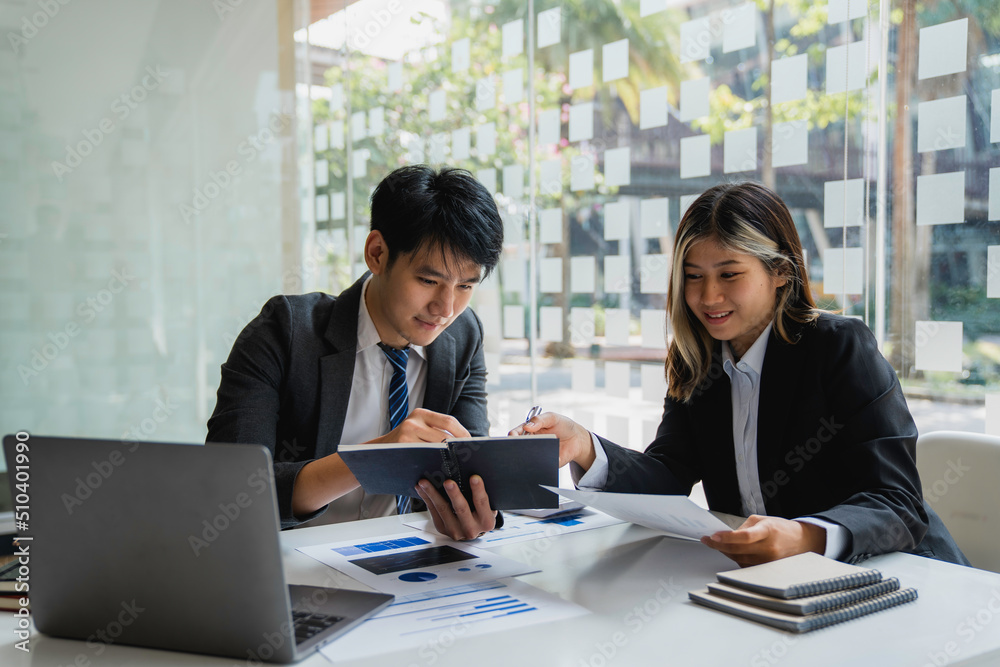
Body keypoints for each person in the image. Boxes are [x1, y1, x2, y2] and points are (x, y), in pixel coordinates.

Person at [516, 181, 968, 567]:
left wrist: (805, 537)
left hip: (896, 573)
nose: (708, 296)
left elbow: (897, 503)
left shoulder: (839, 347)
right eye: (693, 276)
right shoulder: (699, 360)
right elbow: (668, 476)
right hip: (776, 584)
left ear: (780, 272)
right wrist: (585, 447)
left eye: (729, 274)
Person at [207, 165, 503, 541]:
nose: (445, 307)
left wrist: (477, 508)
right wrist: (376, 457)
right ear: (377, 253)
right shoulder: (285, 332)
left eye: (464, 285)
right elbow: (230, 491)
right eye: (429, 281)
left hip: (408, 564)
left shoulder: (462, 336)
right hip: (289, 567)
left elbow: (471, 474)